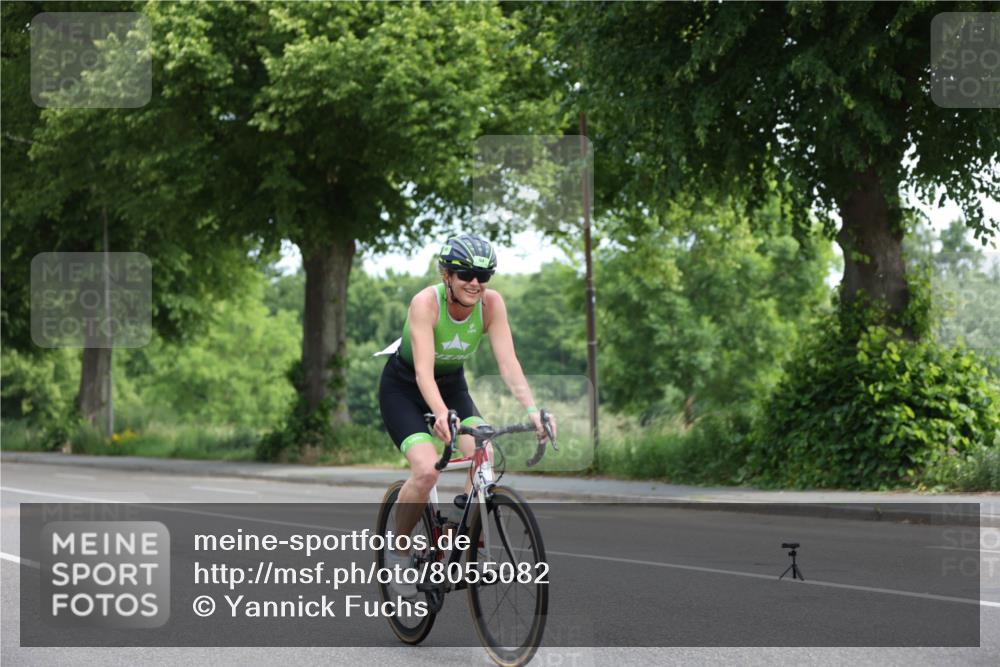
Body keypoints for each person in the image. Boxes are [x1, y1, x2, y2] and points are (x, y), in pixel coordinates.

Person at [377, 233, 555, 598]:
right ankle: (398, 550)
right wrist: (441, 415)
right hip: (405, 389)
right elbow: (424, 373)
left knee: (483, 452)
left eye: (483, 275)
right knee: (427, 471)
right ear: (447, 276)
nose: (475, 283)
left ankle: (469, 540)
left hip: (452, 386)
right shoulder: (426, 304)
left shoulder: (492, 305)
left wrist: (533, 410)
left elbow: (508, 363)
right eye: (466, 274)